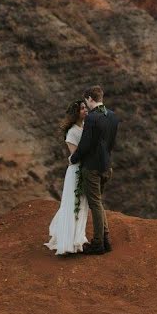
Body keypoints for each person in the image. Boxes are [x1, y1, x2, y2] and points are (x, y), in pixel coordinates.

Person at [68, 85, 118, 255]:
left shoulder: (92, 118)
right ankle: (106, 240)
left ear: (90, 99)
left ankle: (98, 244)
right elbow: (110, 144)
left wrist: (73, 159)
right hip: (106, 166)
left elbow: (85, 145)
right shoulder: (112, 116)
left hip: (92, 168)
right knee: (98, 202)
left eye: (86, 101)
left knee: (94, 204)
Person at [44, 100, 90, 255]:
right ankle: (68, 241)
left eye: (85, 107)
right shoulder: (72, 132)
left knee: (82, 203)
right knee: (73, 203)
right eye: (82, 108)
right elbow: (75, 156)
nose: (85, 110)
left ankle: (78, 239)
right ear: (76, 113)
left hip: (84, 169)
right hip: (76, 172)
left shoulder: (85, 127)